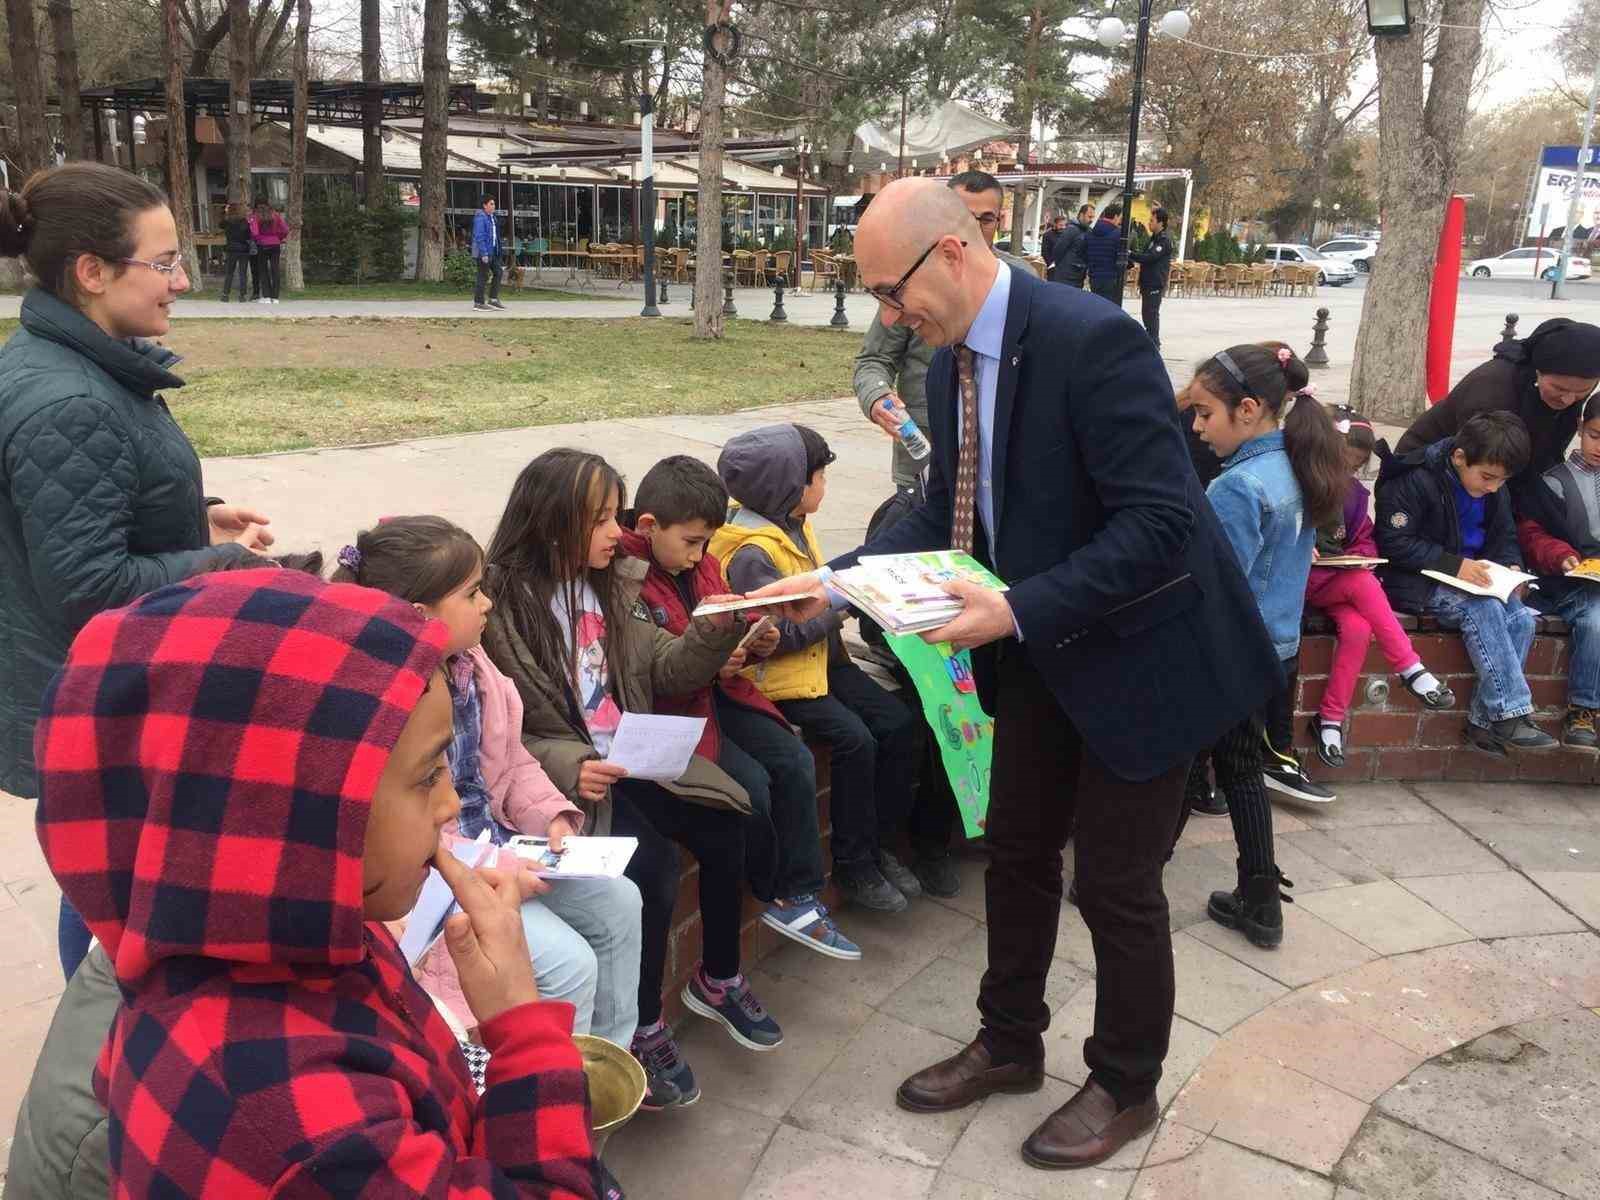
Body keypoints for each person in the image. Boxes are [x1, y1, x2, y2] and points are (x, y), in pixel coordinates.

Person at [747, 179, 1280, 1171]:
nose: (887, 316)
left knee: (1116, 887)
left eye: (889, 291)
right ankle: (1008, 1042)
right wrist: (830, 583)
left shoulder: (1090, 340)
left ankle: (1125, 1081)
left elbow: (1161, 524)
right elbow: (946, 509)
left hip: (1143, 660)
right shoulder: (950, 365)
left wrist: (1020, 607)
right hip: (1039, 651)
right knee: (1020, 852)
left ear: (950, 250)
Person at [32, 567, 609, 1197]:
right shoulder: (281, 1121)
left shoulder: (301, 935)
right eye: (426, 777)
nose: (450, 805)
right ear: (283, 814)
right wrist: (521, 1025)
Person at [0, 162, 272, 981]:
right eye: (163, 263)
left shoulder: (75, 366)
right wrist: (219, 564)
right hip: (98, 708)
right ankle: (104, 1069)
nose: (182, 281)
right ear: (92, 272)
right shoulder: (71, 400)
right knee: (112, 907)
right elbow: (86, 589)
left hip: (95, 699)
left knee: (103, 882)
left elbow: (70, 513)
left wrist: (198, 512)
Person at [480, 448, 780, 1112]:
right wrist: (566, 765)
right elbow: (500, 725)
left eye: (616, 516)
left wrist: (716, 625)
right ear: (553, 520)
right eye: (600, 519)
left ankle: (719, 979)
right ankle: (644, 1027)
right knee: (650, 872)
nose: (618, 533)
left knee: (730, 820)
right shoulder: (501, 603)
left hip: (632, 755)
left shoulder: (612, 584)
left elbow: (666, 670)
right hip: (574, 779)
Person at [331, 516, 644, 1047]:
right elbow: (411, 828)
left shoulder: (473, 667)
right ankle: (561, 1096)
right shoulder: (385, 707)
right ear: (418, 615)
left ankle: (610, 1069)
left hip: (500, 850)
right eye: (472, 593)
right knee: (569, 966)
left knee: (620, 900)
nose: (487, 605)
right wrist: (500, 870)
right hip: (439, 879)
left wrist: (552, 820)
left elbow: (511, 759)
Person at [619, 455, 860, 960]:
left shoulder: (698, 561)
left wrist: (758, 635)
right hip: (680, 713)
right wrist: (714, 657)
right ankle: (769, 891)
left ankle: (800, 895)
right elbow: (658, 664)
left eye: (705, 542)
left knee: (792, 759)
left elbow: (728, 605)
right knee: (749, 787)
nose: (700, 554)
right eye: (690, 541)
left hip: (722, 693)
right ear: (648, 525)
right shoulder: (627, 574)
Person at [713, 425, 928, 910]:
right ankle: (853, 865)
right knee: (856, 739)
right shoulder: (751, 551)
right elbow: (777, 635)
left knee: (897, 723)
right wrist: (843, 604)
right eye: (820, 476)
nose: (825, 485)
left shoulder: (794, 524)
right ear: (790, 487)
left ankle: (882, 847)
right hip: (784, 681)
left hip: (826, 663)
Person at [1189, 344, 1346, 948]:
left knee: (1198, 765)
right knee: (1237, 765)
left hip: (1230, 649)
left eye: (1205, 414)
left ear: (1249, 409)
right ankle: (1258, 898)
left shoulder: (1241, 486)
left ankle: (1129, 880)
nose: (1198, 428)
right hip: (1275, 647)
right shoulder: (1297, 464)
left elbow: (1213, 587)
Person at [1375, 411, 1557, 754]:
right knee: (1484, 609)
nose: (1493, 487)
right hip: (1416, 581)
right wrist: (1454, 565)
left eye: (1501, 481)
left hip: (1475, 577)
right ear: (1459, 457)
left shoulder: (1493, 486)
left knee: (1520, 619)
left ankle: (1484, 725)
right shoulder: (1415, 478)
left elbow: (1503, 534)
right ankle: (1509, 712)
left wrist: (1511, 566)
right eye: (1488, 478)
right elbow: (1393, 541)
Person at [855, 173, 1030, 495]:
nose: (974, 228)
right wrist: (877, 396)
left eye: (986, 219)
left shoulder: (1027, 287)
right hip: (924, 450)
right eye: (964, 214)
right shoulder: (905, 295)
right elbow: (873, 359)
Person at [1303, 407, 1456, 767]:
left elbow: (1363, 539)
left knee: (1357, 628)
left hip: (1335, 580)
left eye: (1355, 467)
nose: (1347, 473)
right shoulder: (1303, 485)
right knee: (1363, 583)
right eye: (1342, 463)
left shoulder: (1355, 495)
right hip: (1304, 581)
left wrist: (1362, 555)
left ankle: (1329, 720)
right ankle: (1410, 668)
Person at [1395, 318, 1600, 481]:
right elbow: (1481, 469)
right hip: (1432, 469)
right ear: (1537, 370)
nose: (1567, 400)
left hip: (1500, 474)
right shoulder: (1492, 391)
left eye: (1582, 391)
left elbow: (1548, 457)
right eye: (1558, 388)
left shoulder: (1571, 390)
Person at [1517, 391, 1600, 747]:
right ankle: (1583, 709)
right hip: (1569, 583)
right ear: (1581, 428)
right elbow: (1533, 534)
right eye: (1596, 436)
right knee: (1596, 620)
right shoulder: (1554, 481)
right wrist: (1562, 556)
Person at [1129, 206, 1173, 350]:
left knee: (1151, 314)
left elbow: (1150, 257)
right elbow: (1144, 255)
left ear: (1161, 223)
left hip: (1155, 283)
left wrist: (1129, 253)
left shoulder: (1164, 241)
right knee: (1146, 314)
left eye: (1152, 220)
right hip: (1147, 282)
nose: (1149, 223)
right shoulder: (1152, 239)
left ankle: (1154, 343)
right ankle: (1151, 341)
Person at [248, 197, 288, 303]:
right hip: (275, 244)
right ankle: (275, 297)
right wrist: (278, 238)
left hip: (262, 245)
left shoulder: (255, 216)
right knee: (275, 270)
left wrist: (259, 240)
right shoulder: (275, 215)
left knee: (263, 270)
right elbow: (285, 229)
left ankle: (266, 296)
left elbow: (255, 233)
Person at [1085, 202, 1124, 302]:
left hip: (1094, 278)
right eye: (1120, 218)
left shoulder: (1091, 232)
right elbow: (1121, 256)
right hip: (1111, 278)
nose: (1119, 221)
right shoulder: (1118, 234)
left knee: (1097, 306)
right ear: (1115, 216)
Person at [1050, 202, 1094, 289]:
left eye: (1093, 217)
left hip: (1078, 276)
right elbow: (1057, 250)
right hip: (1066, 277)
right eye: (1089, 217)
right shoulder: (1071, 230)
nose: (1091, 220)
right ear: (1081, 215)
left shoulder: (1088, 231)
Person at [474, 195, 507, 311]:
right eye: (491, 204)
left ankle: (493, 299)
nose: (494, 206)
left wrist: (499, 251)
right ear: (484, 205)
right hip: (483, 253)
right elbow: (479, 237)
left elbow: (495, 236)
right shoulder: (480, 218)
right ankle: (478, 303)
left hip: (493, 252)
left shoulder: (492, 217)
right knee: (482, 276)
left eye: (494, 204)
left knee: (498, 272)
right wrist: (484, 253)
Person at [219, 201, 253, 301]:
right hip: (243, 249)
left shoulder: (227, 222)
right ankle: (242, 295)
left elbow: (220, 224)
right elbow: (249, 235)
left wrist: (224, 211)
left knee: (229, 272)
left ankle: (225, 294)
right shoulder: (245, 222)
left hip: (231, 249)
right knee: (243, 273)